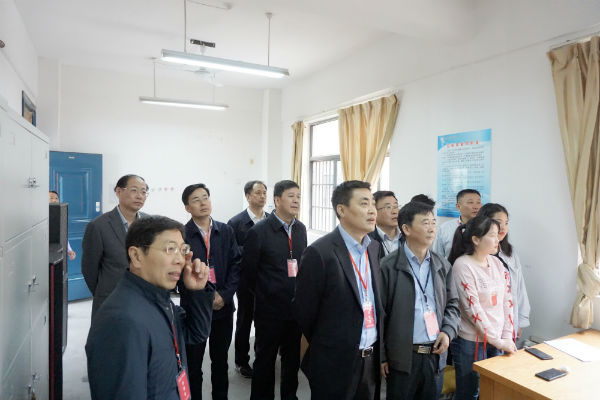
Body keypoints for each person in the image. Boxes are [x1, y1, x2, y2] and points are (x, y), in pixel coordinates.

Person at [85, 215, 215, 400]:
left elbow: (196, 333)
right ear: (136, 256)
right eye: (170, 249)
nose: (180, 260)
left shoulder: (159, 299)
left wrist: (196, 292)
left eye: (182, 250)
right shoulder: (122, 321)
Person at [293, 180, 383, 400]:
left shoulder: (373, 248)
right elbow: (305, 313)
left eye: (373, 204)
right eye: (364, 203)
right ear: (341, 210)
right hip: (334, 362)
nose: (372, 210)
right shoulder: (320, 253)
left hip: (370, 360)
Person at [380, 201, 460, 400]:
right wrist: (381, 356)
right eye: (425, 223)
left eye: (433, 222)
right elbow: (380, 314)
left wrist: (448, 331)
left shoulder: (442, 265)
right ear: (406, 229)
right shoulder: (388, 266)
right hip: (402, 358)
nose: (432, 228)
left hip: (435, 355)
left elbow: (453, 304)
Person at [244, 180, 307, 400]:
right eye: (291, 196)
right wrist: (267, 294)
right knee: (265, 360)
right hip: (269, 310)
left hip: (294, 310)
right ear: (277, 200)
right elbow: (249, 274)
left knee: (292, 361)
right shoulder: (259, 231)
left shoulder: (300, 229)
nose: (296, 200)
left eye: (298, 196)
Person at [179, 183, 241, 400]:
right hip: (194, 310)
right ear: (187, 207)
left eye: (205, 197)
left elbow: (236, 265)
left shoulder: (225, 230)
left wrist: (224, 295)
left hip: (223, 307)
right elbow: (178, 272)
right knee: (193, 364)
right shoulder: (182, 235)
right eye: (196, 200)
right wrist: (204, 297)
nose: (203, 203)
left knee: (221, 361)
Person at [448, 215, 517, 400]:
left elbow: (507, 301)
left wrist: (506, 335)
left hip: (498, 339)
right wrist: (498, 341)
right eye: (492, 235)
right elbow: (473, 310)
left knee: (493, 391)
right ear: (476, 239)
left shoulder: (497, 263)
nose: (497, 239)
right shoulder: (463, 265)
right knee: (470, 392)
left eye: (497, 234)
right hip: (471, 341)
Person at [82, 174, 149, 318]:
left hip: (144, 297)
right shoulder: (98, 226)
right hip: (111, 299)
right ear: (118, 192)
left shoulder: (151, 223)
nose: (140, 196)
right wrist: (103, 293)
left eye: (144, 192)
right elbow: (89, 269)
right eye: (134, 190)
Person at [227, 180, 269, 378]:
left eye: (264, 192)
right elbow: (232, 252)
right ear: (248, 196)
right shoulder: (236, 223)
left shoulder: (271, 220)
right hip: (246, 281)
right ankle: (241, 361)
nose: (262, 196)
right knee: (245, 320)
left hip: (268, 280)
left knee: (265, 321)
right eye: (258, 192)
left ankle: (263, 357)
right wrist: (254, 251)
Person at [478, 203, 530, 342]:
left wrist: (521, 321)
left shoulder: (510, 253)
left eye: (506, 223)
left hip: (509, 325)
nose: (503, 228)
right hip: (482, 328)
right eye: (498, 222)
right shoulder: (475, 256)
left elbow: (520, 289)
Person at [434, 189, 481, 259]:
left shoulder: (486, 227)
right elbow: (437, 256)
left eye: (478, 202)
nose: (476, 207)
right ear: (458, 206)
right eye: (470, 202)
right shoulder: (445, 228)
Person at [368, 190, 400, 258]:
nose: (394, 212)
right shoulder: (367, 239)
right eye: (388, 207)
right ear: (374, 212)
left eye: (395, 206)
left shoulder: (408, 236)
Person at [49, 190, 76, 260]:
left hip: (57, 252)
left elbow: (63, 234)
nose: (54, 200)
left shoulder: (60, 215)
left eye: (56, 198)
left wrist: (69, 250)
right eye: (51, 198)